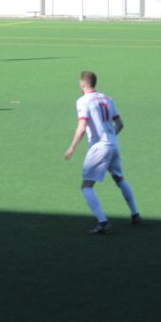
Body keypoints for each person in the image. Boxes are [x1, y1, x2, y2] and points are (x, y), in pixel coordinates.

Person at [64, 71, 141, 234]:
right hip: (113, 144)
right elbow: (120, 124)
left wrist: (72, 147)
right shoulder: (107, 98)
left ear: (83, 84)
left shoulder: (83, 101)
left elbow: (82, 126)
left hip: (99, 146)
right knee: (119, 179)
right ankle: (135, 213)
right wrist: (110, 137)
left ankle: (103, 222)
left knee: (86, 186)